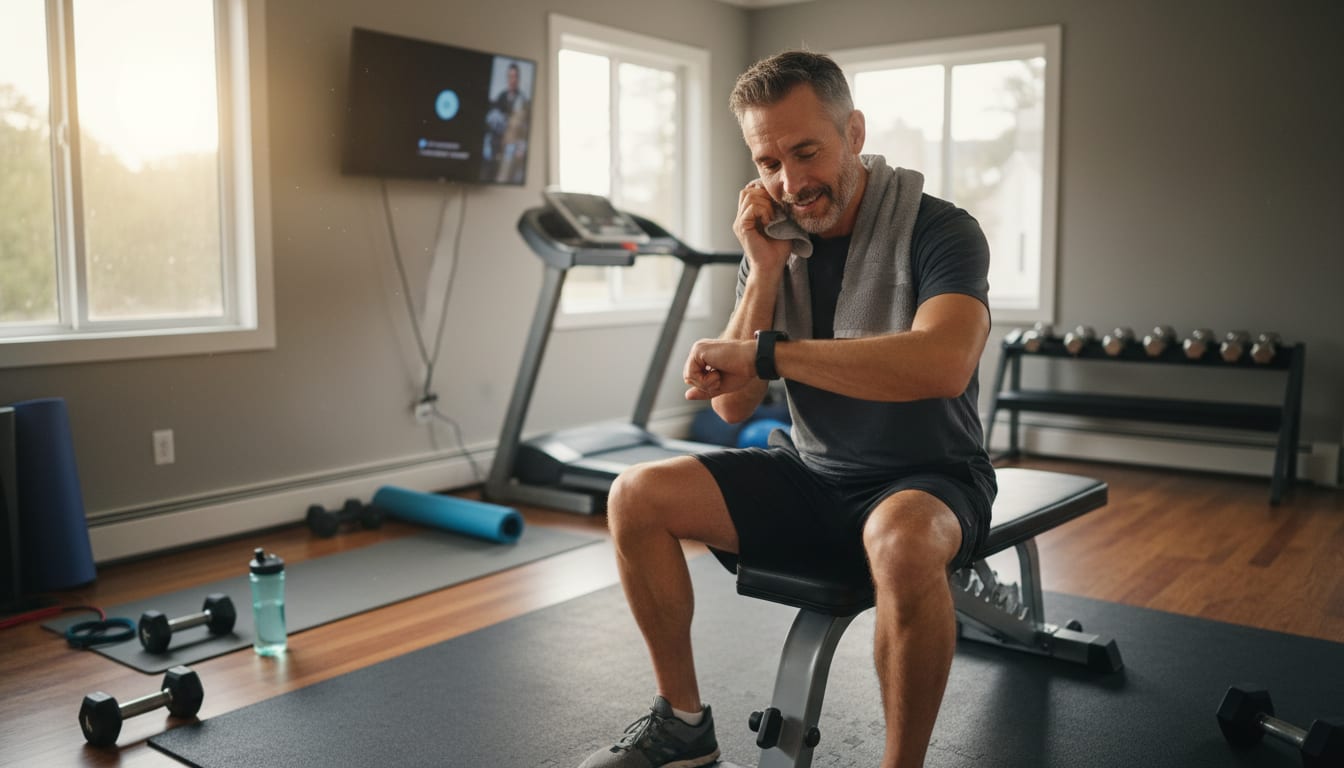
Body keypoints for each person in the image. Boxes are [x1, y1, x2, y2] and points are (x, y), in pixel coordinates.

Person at [579, 50, 996, 768]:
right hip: (815, 474)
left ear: (853, 132)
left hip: (929, 477)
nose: (791, 184)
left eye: (807, 152)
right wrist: (765, 271)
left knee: (899, 542)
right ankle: (684, 725)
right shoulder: (774, 241)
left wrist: (772, 355)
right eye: (768, 162)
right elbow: (734, 403)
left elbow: (943, 362)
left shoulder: (941, 231)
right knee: (635, 495)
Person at [482, 61, 530, 183]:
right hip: (497, 146)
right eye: (510, 77)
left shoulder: (523, 100)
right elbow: (491, 122)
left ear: (518, 78)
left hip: (511, 150)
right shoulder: (501, 97)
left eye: (515, 77)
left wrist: (520, 147)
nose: (512, 80)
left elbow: (524, 131)